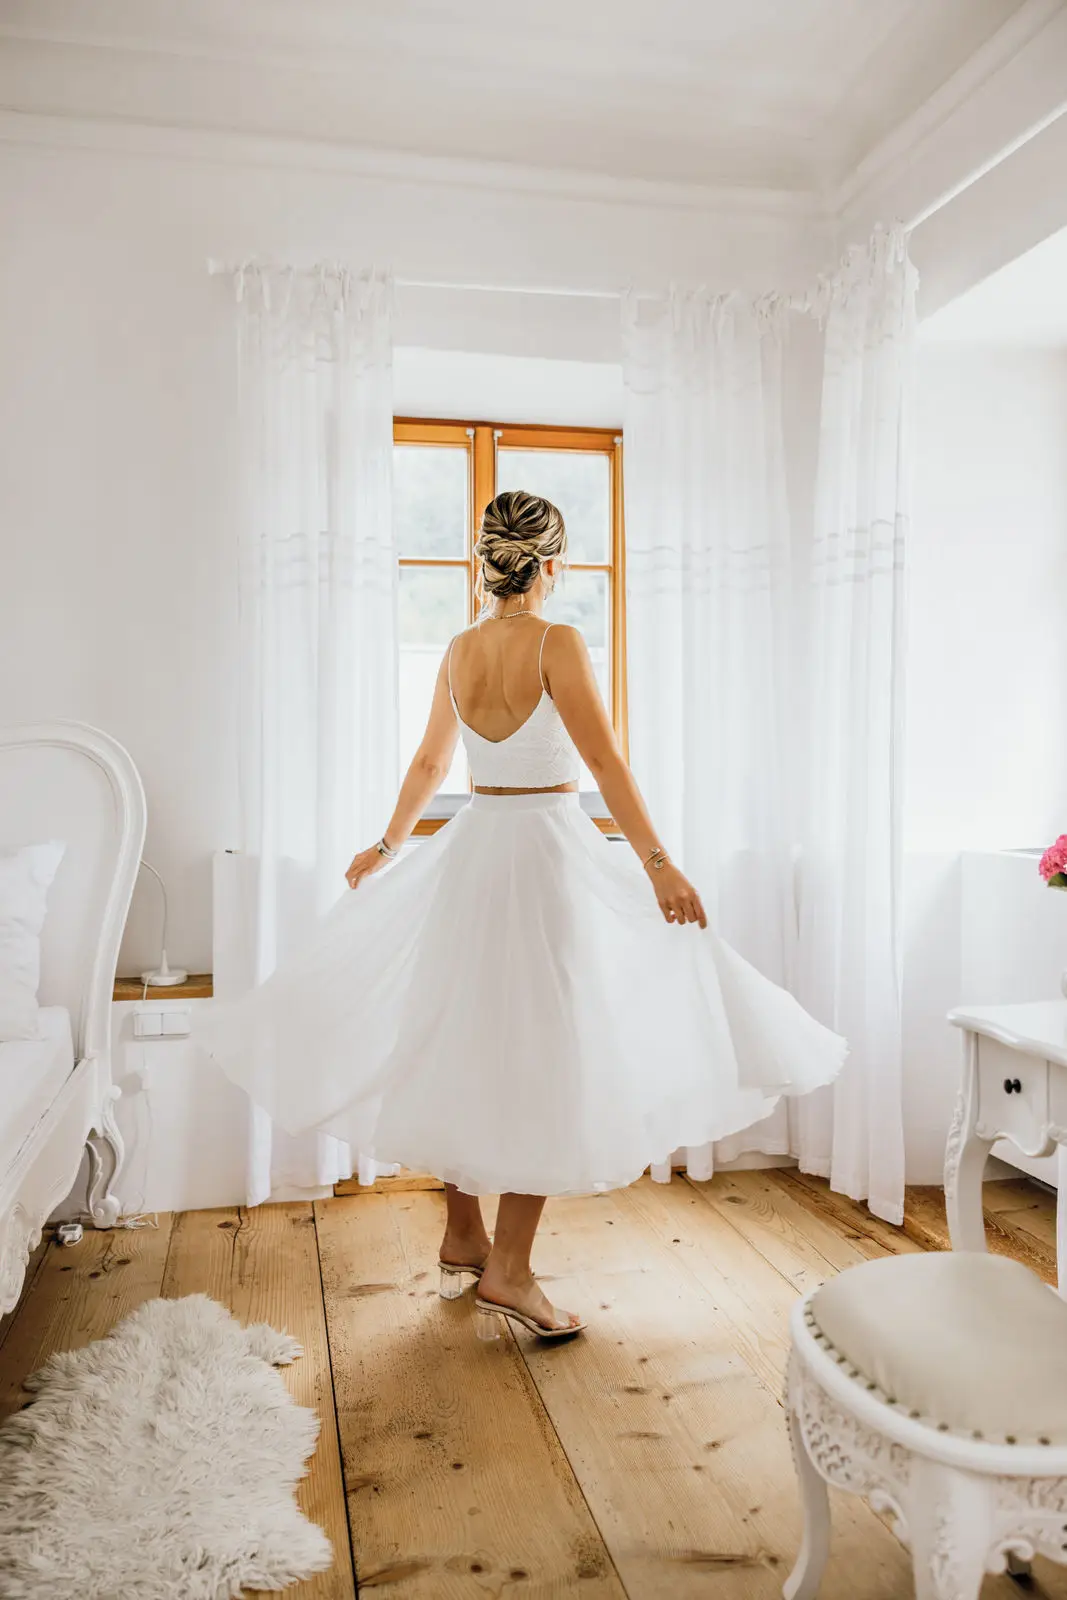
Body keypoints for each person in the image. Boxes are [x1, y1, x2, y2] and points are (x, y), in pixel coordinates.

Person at [200, 490, 846, 1341]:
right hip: (544, 854)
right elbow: (604, 761)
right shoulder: (557, 640)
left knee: (457, 1038)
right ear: (549, 563)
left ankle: (464, 1235)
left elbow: (432, 761)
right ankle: (508, 1271)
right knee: (546, 1053)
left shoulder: (460, 648)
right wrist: (659, 865)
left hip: (471, 852)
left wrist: (387, 846)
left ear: (489, 560)